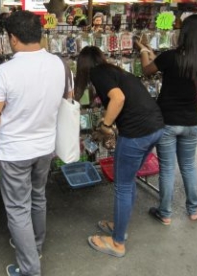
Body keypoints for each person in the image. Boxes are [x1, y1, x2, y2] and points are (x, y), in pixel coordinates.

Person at [0, 10, 66, 276]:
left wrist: (8, 126)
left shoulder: (6, 71)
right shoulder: (58, 63)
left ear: (13, 38)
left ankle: (30, 268)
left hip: (15, 150)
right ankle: (36, 246)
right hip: (44, 146)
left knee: (18, 209)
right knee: (38, 196)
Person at [75, 46, 164, 258]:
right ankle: (119, 226)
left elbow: (118, 99)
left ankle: (117, 243)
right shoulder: (116, 71)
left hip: (137, 133)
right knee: (128, 180)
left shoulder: (99, 73)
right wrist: (105, 128)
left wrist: (106, 126)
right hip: (155, 127)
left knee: (122, 185)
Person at [136, 15, 197, 224]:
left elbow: (147, 70)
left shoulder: (171, 57)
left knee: (167, 168)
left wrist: (143, 50)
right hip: (191, 121)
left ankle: (165, 213)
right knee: (188, 166)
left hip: (168, 120)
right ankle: (194, 210)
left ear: (184, 33)